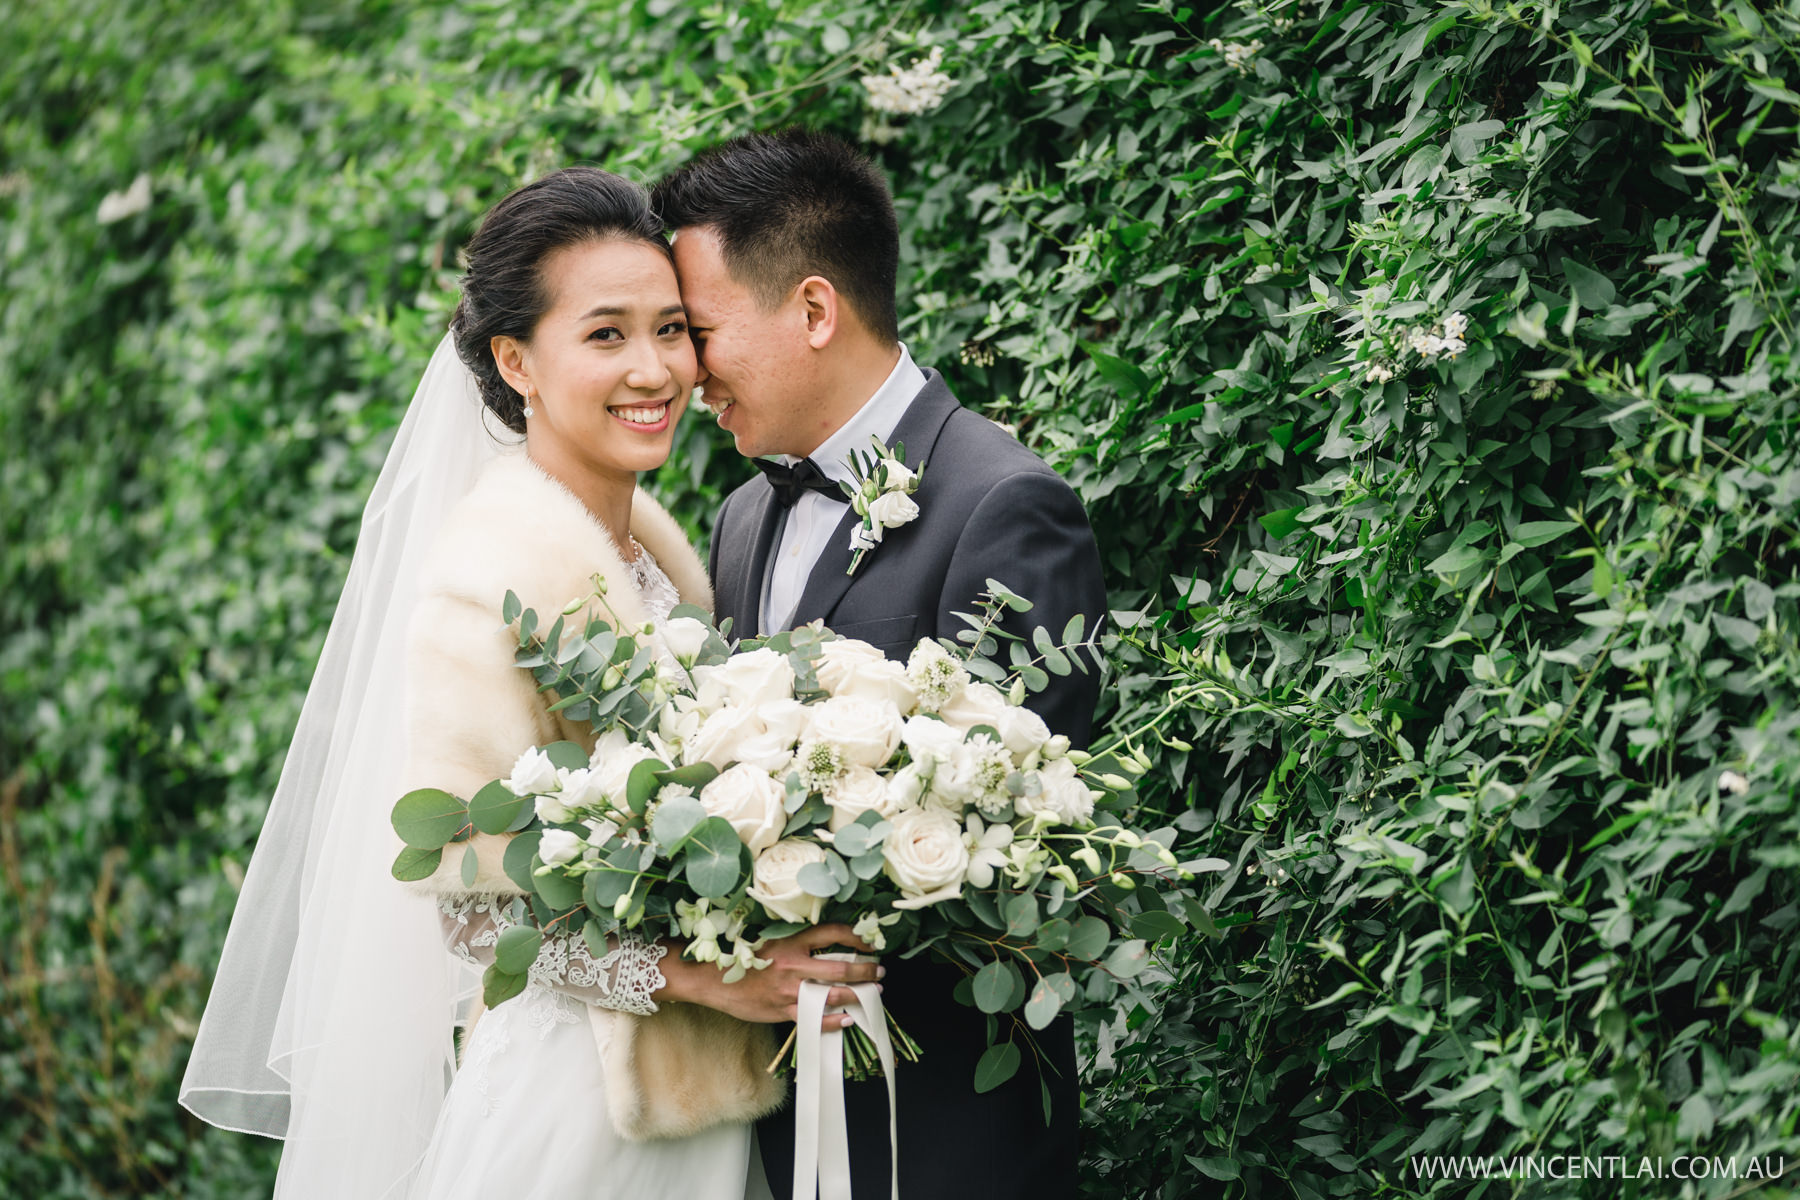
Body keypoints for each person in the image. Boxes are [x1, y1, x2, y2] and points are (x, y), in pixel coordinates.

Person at [180, 167, 879, 1200]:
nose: (654, 369)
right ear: (517, 361)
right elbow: (464, 910)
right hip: (578, 1109)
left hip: (701, 1097)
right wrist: (703, 979)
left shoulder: (660, 556)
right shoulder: (487, 581)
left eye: (672, 329)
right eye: (605, 335)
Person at [654, 130, 1108, 1200]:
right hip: (773, 1121)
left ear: (814, 310)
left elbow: (1014, 843)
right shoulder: (738, 518)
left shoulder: (1004, 505)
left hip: (949, 1134)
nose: (683, 369)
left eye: (701, 330)